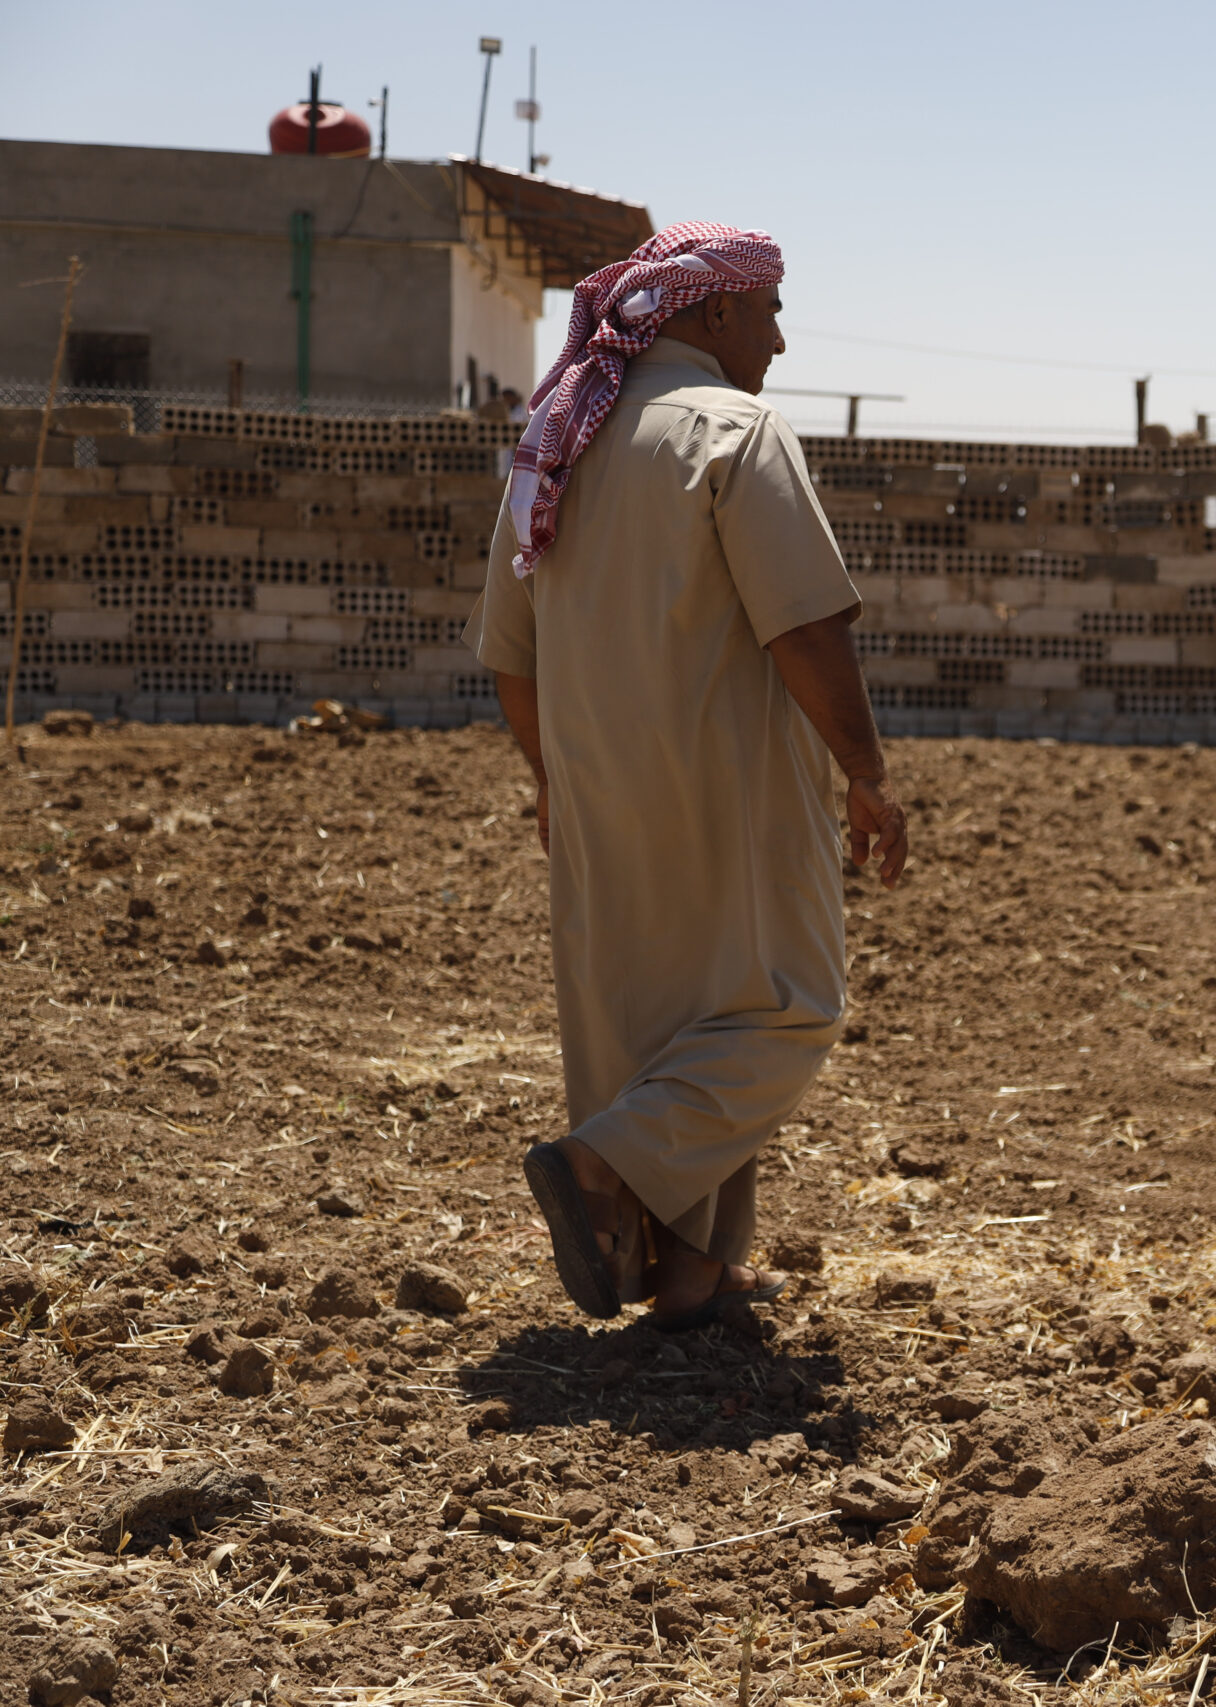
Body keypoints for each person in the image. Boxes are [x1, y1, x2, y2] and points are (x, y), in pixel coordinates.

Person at [465, 223, 909, 1330]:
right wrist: (865, 773)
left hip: (597, 794)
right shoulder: (736, 431)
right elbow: (805, 626)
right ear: (714, 313)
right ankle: (602, 1165)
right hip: (730, 792)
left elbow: (511, 655)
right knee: (786, 1009)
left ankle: (694, 1275)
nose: (780, 341)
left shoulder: (555, 442)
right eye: (770, 312)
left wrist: (552, 777)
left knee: (663, 1033)